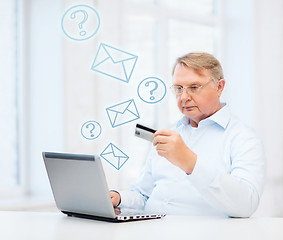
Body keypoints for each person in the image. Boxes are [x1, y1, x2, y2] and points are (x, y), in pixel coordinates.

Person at [110, 52, 266, 217]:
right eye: (179, 88)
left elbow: (246, 205)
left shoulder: (243, 138)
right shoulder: (170, 134)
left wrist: (190, 163)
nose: (184, 97)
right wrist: (118, 198)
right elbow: (143, 194)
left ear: (219, 87)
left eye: (194, 87)